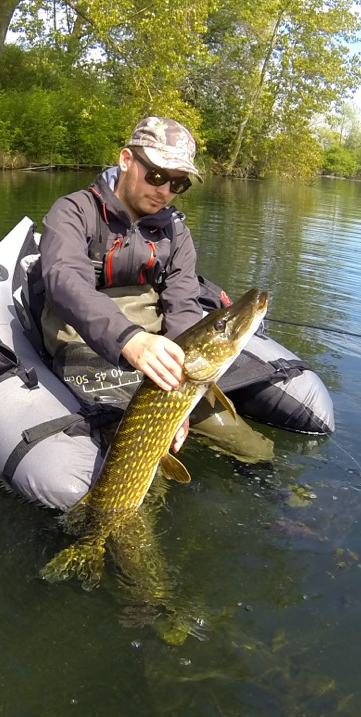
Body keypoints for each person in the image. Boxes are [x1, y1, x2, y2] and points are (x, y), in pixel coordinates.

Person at [37, 116, 275, 462]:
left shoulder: (177, 236)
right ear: (126, 160)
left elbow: (183, 309)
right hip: (84, 350)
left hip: (159, 359)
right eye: (157, 175)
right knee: (135, 464)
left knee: (254, 451)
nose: (164, 191)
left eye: (178, 184)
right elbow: (64, 280)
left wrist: (181, 401)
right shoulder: (74, 212)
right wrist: (129, 340)